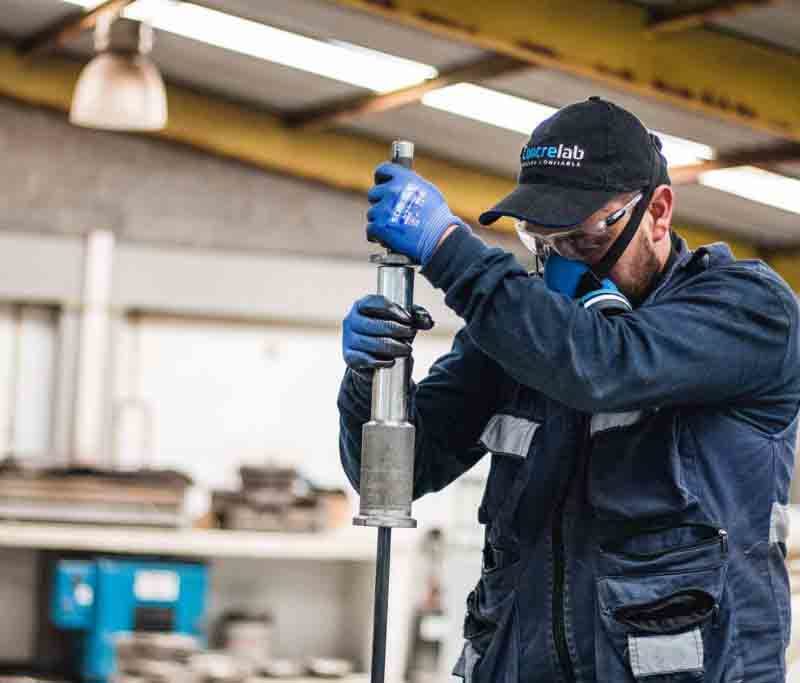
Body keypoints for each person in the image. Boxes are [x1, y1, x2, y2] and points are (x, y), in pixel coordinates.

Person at [338, 96, 800, 682]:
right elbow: (398, 475)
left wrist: (448, 249)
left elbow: (604, 368)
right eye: (542, 244)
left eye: (581, 241)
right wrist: (369, 381)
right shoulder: (523, 333)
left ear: (657, 212)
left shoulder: (745, 312)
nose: (561, 266)